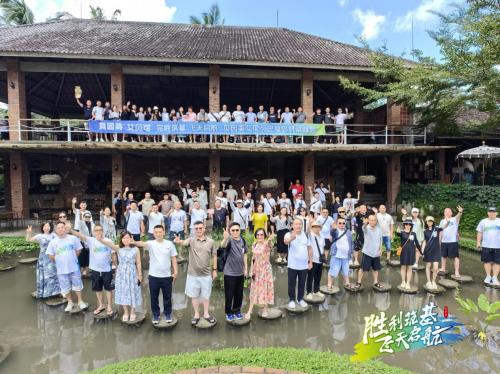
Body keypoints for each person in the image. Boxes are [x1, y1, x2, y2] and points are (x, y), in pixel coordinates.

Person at [174, 221, 217, 325]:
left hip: (206, 274)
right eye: (196, 228)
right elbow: (183, 242)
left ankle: (206, 314)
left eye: (200, 228)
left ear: (204, 229)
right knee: (194, 296)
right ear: (194, 229)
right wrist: (178, 241)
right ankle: (196, 314)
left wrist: (214, 270)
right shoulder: (191, 240)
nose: (198, 230)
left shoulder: (211, 242)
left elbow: (215, 255)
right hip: (193, 274)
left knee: (206, 295)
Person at [134, 225, 177, 324]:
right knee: (154, 297)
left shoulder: (169, 244)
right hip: (153, 276)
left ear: (164, 232)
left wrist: (175, 272)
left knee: (167, 297)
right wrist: (133, 242)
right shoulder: (150, 243)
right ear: (153, 234)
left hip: (167, 276)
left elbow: (173, 258)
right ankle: (156, 315)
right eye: (156, 232)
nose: (158, 234)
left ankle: (168, 313)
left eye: (160, 232)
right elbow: (142, 243)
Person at [70, 224, 115, 316]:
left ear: (103, 231)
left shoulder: (108, 241)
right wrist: (70, 230)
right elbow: (80, 235)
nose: (98, 232)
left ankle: (109, 305)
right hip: (95, 270)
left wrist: (115, 265)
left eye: (100, 230)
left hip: (107, 269)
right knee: (98, 289)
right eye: (96, 230)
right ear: (94, 232)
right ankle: (101, 305)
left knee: (108, 289)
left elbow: (113, 254)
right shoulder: (91, 240)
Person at [46, 221, 88, 312]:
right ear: (56, 230)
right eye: (58, 228)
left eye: (62, 227)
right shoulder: (53, 242)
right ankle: (70, 302)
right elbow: (51, 256)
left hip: (74, 267)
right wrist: (60, 261)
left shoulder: (73, 238)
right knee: (65, 286)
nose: (61, 229)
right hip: (61, 269)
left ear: (65, 229)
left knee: (77, 284)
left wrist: (72, 258)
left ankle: (80, 301)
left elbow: (79, 250)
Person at [220, 223, 248, 321]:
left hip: (240, 273)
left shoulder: (243, 241)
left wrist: (246, 269)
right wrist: (225, 238)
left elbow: (245, 255)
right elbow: (222, 245)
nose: (235, 232)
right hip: (229, 273)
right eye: (233, 230)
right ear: (230, 231)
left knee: (239, 294)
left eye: (237, 230)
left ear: (240, 230)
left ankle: (237, 310)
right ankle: (228, 312)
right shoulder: (229, 240)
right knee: (229, 294)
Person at [112, 231, 142, 322]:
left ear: (131, 238)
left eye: (127, 237)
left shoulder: (136, 249)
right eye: (124, 238)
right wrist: (100, 238)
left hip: (132, 272)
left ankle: (133, 311)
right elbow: (108, 244)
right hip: (121, 273)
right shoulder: (118, 248)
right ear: (121, 239)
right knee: (123, 291)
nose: (126, 239)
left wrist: (139, 274)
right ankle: (126, 311)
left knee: (133, 290)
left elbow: (138, 262)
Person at [245, 229, 275, 319]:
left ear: (264, 235)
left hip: (265, 270)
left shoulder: (267, 243)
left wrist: (269, 239)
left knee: (265, 288)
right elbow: (253, 258)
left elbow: (270, 245)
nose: (259, 236)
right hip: (256, 270)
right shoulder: (254, 244)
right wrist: (251, 271)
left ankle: (265, 308)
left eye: (261, 235)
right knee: (254, 289)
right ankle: (250, 310)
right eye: (257, 235)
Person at [284, 218, 313, 309]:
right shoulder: (289, 234)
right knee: (291, 283)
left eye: (299, 224)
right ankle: (292, 299)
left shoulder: (306, 235)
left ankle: (300, 299)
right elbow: (285, 241)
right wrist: (291, 239)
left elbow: (309, 249)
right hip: (292, 265)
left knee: (302, 283)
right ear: (293, 225)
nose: (298, 226)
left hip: (304, 265)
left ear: (302, 225)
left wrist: (310, 262)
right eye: (296, 224)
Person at [26, 223, 59, 299]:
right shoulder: (40, 236)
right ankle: (46, 292)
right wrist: (29, 232)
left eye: (48, 226)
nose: (47, 227)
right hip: (43, 258)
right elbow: (28, 240)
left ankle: (56, 291)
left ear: (50, 227)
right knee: (45, 274)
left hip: (53, 257)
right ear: (42, 228)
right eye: (45, 226)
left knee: (54, 273)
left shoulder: (54, 235)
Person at [355, 215, 383, 290]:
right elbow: (363, 228)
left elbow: (381, 240)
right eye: (371, 220)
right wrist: (364, 223)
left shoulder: (379, 229)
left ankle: (375, 282)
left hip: (376, 253)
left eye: (374, 220)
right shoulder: (366, 228)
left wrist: (380, 249)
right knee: (363, 268)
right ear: (368, 220)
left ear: (376, 221)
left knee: (376, 268)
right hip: (367, 252)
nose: (373, 221)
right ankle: (359, 282)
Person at [327, 216, 353, 290]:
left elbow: (351, 243)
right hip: (336, 255)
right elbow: (332, 233)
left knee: (346, 271)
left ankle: (347, 283)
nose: (342, 224)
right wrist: (333, 228)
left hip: (346, 256)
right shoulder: (335, 231)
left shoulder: (348, 232)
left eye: (343, 223)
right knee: (333, 271)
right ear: (337, 223)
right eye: (340, 223)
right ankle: (329, 284)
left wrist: (351, 255)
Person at [477, 207, 500, 286]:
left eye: (493, 212)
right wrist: (478, 242)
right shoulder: (483, 221)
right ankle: (488, 276)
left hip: (498, 246)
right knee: (487, 261)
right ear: (488, 213)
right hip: (486, 245)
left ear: (496, 213)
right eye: (490, 212)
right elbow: (480, 233)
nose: (492, 213)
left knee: (497, 262)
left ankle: (495, 277)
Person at [438, 206, 464, 277]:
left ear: (451, 213)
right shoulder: (442, 221)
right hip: (444, 241)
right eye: (445, 211)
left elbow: (458, 216)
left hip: (452, 241)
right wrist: (439, 241)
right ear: (444, 213)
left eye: (449, 211)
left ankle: (456, 272)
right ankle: (443, 268)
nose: (447, 213)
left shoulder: (454, 219)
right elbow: (440, 231)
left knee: (456, 257)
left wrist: (460, 212)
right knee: (443, 256)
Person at [422, 216, 446, 290]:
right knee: (428, 266)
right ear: (426, 222)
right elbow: (424, 241)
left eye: (431, 221)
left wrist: (448, 221)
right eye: (428, 221)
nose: (430, 222)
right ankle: (428, 281)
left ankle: (433, 281)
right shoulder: (425, 231)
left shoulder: (437, 229)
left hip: (436, 250)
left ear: (433, 222)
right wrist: (422, 251)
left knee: (435, 267)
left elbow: (445, 226)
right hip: (428, 250)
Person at [397, 219, 422, 290]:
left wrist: (421, 252)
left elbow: (416, 243)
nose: (408, 225)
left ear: (411, 226)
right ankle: (403, 281)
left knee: (410, 268)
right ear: (404, 225)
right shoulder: (402, 233)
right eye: (406, 224)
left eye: (409, 224)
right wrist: (397, 231)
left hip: (411, 252)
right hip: (403, 252)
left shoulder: (413, 233)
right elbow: (398, 234)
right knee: (403, 267)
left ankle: (408, 282)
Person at [306, 220, 325, 300]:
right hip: (312, 260)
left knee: (318, 277)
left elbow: (323, 247)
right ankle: (309, 292)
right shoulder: (311, 235)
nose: (317, 228)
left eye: (318, 227)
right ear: (312, 228)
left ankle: (316, 290)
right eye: (315, 227)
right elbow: (306, 231)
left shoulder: (322, 235)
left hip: (320, 260)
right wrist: (309, 223)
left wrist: (323, 257)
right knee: (310, 277)